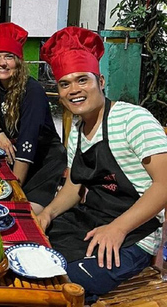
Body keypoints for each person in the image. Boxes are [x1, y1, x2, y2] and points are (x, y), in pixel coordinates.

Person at [37, 26, 167, 302]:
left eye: (82, 80)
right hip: (89, 220)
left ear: (101, 81)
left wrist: (118, 228)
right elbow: (74, 183)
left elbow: (164, 184)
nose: (74, 90)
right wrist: (47, 213)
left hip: (136, 233)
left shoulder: (134, 120)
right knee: (34, 256)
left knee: (68, 282)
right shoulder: (78, 129)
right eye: (65, 83)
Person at [0, 22, 66, 215]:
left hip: (43, 162)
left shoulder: (32, 92)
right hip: (16, 158)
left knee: (17, 213)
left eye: (9, 57)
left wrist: (10, 193)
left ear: (18, 62)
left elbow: (27, 146)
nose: (2, 63)